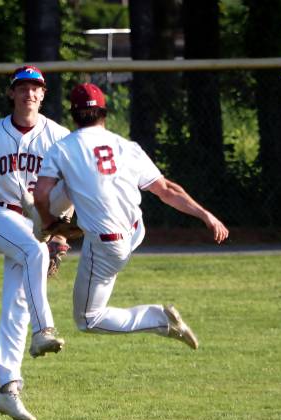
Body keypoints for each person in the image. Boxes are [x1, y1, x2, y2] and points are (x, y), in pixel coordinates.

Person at [33, 83, 229, 347]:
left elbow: (41, 193)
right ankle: (48, 236)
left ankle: (159, 319)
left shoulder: (63, 148)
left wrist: (48, 223)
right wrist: (206, 215)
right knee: (72, 183)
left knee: (88, 319)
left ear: (73, 115)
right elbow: (167, 190)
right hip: (135, 228)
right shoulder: (126, 146)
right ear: (104, 112)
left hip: (106, 243)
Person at [0, 65, 73, 420]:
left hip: (37, 224)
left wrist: (57, 233)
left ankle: (7, 388)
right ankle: (44, 332)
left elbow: (71, 188)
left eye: (35, 88)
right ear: (11, 93)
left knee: (16, 303)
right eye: (22, 87)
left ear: (43, 94)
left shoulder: (58, 135)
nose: (29, 94)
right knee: (34, 252)